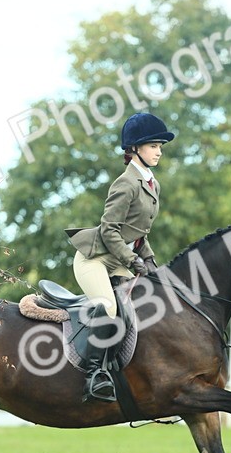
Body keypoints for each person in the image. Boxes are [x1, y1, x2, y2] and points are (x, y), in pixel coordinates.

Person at [65, 111, 174, 402]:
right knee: (108, 307)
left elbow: (139, 232)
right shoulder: (124, 184)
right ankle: (94, 376)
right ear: (135, 149)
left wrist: (149, 260)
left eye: (160, 146)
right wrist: (132, 260)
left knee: (144, 306)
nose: (159, 152)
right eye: (153, 146)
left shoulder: (152, 184)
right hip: (95, 258)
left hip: (121, 257)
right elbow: (110, 230)